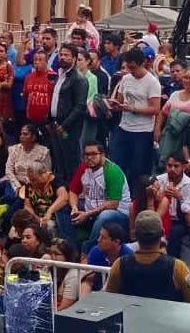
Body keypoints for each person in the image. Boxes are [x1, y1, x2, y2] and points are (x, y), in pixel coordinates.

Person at [104, 210, 190, 304]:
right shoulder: (178, 267)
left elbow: (108, 299)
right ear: (162, 233)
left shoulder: (119, 265)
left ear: (135, 234)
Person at [66, 142, 132, 255]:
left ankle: (86, 251)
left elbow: (113, 204)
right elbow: (73, 191)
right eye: (86, 155)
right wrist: (74, 207)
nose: (89, 158)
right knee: (63, 209)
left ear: (102, 155)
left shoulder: (112, 171)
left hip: (118, 213)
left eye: (93, 154)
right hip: (91, 207)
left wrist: (87, 214)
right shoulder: (83, 167)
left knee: (104, 216)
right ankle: (68, 247)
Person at [109, 48, 161, 187]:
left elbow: (155, 108)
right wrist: (115, 105)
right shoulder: (126, 79)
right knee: (117, 163)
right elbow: (120, 100)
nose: (131, 71)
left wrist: (133, 108)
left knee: (138, 169)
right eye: (128, 67)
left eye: (133, 68)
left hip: (142, 131)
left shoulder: (152, 82)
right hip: (124, 126)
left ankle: (137, 198)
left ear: (142, 64)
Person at [50, 44, 88, 182]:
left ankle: (73, 192)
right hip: (55, 124)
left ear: (74, 58)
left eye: (67, 55)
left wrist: (64, 125)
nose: (63, 57)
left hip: (68, 127)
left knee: (71, 160)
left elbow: (80, 107)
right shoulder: (59, 75)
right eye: (61, 54)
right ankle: (62, 192)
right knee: (58, 160)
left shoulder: (78, 79)